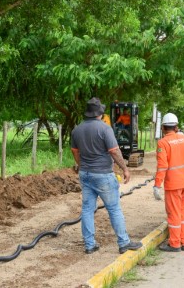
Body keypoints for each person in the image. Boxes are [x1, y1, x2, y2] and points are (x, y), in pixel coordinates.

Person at [71, 97, 143, 255]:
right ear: (100, 113)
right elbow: (114, 151)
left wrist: (82, 165)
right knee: (114, 209)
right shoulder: (104, 129)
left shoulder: (77, 130)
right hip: (103, 174)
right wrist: (125, 168)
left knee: (87, 209)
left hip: (86, 174)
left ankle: (89, 245)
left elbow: (75, 151)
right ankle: (124, 242)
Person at [153, 113, 184, 252]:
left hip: (173, 184)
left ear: (163, 128)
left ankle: (174, 244)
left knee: (173, 214)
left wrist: (157, 185)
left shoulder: (163, 143)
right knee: (183, 212)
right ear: (176, 127)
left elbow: (162, 166)